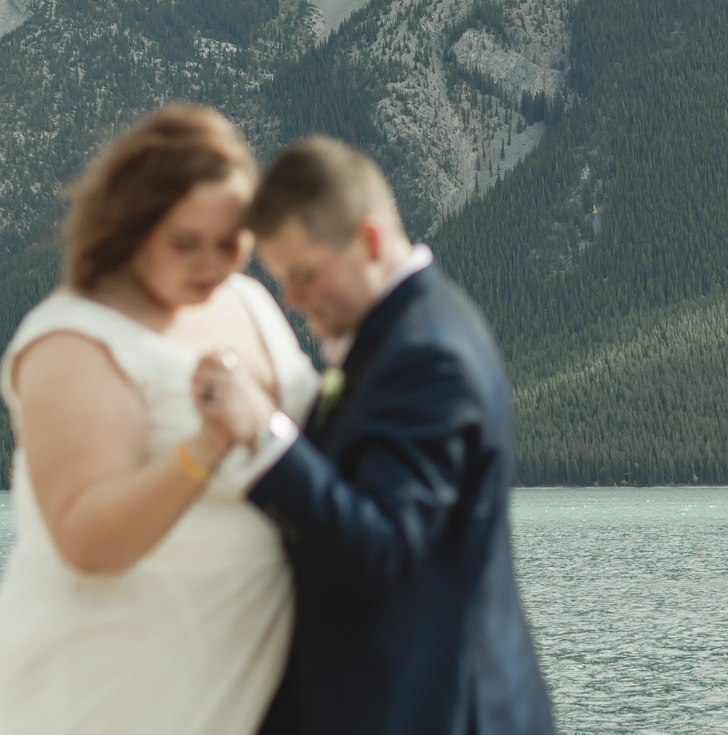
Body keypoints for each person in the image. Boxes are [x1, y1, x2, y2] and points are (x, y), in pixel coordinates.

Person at [0, 104, 318, 735]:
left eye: (232, 240)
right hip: (103, 689)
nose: (213, 263)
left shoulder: (251, 302)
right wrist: (204, 448)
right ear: (131, 227)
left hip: (235, 689)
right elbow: (85, 538)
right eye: (184, 243)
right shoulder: (75, 338)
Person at [195, 135, 555, 735]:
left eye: (305, 273)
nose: (293, 298)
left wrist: (262, 434)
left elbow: (382, 548)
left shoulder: (428, 355)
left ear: (366, 240)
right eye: (283, 279)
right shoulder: (397, 338)